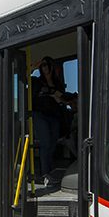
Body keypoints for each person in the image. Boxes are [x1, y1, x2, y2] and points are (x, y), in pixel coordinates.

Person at [31, 56, 71, 186]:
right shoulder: (37, 81)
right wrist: (32, 67)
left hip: (54, 116)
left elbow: (62, 98)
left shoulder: (57, 83)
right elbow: (26, 81)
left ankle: (50, 171)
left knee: (53, 144)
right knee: (46, 143)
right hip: (40, 114)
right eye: (43, 65)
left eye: (47, 64)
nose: (45, 67)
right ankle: (45, 174)